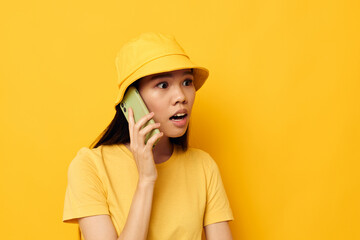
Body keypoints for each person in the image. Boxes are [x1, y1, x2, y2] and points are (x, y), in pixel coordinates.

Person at [62, 32, 234, 240]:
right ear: (132, 100)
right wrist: (146, 180)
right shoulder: (90, 166)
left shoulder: (204, 167)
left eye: (187, 82)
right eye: (163, 84)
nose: (181, 96)